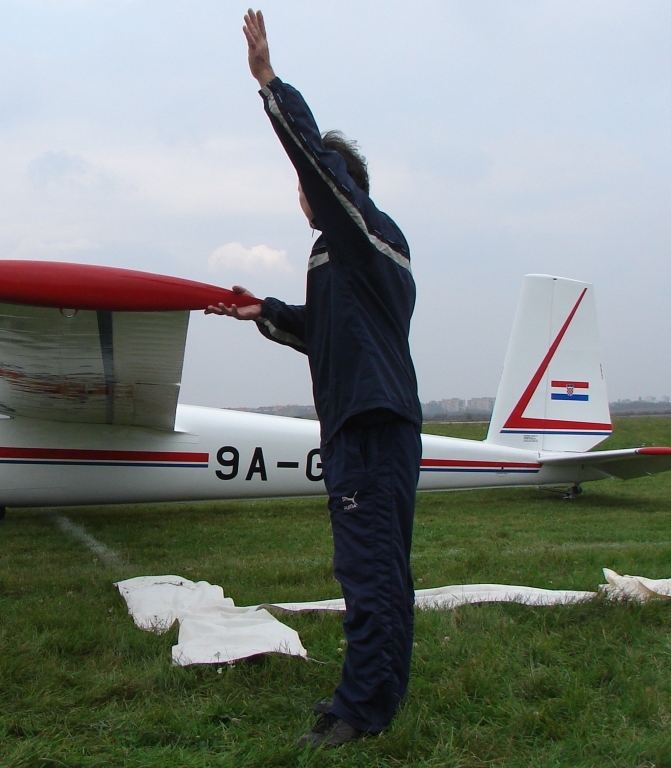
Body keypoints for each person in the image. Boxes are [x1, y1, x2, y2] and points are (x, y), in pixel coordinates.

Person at [206, 9, 423, 747]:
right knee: (380, 572)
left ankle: (360, 711)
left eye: (313, 186)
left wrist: (269, 83)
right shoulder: (351, 258)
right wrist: (260, 312)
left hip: (368, 425)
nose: (301, 197)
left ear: (337, 187)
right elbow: (325, 335)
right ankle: (374, 700)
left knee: (366, 573)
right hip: (369, 421)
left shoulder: (362, 233)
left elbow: (313, 162)